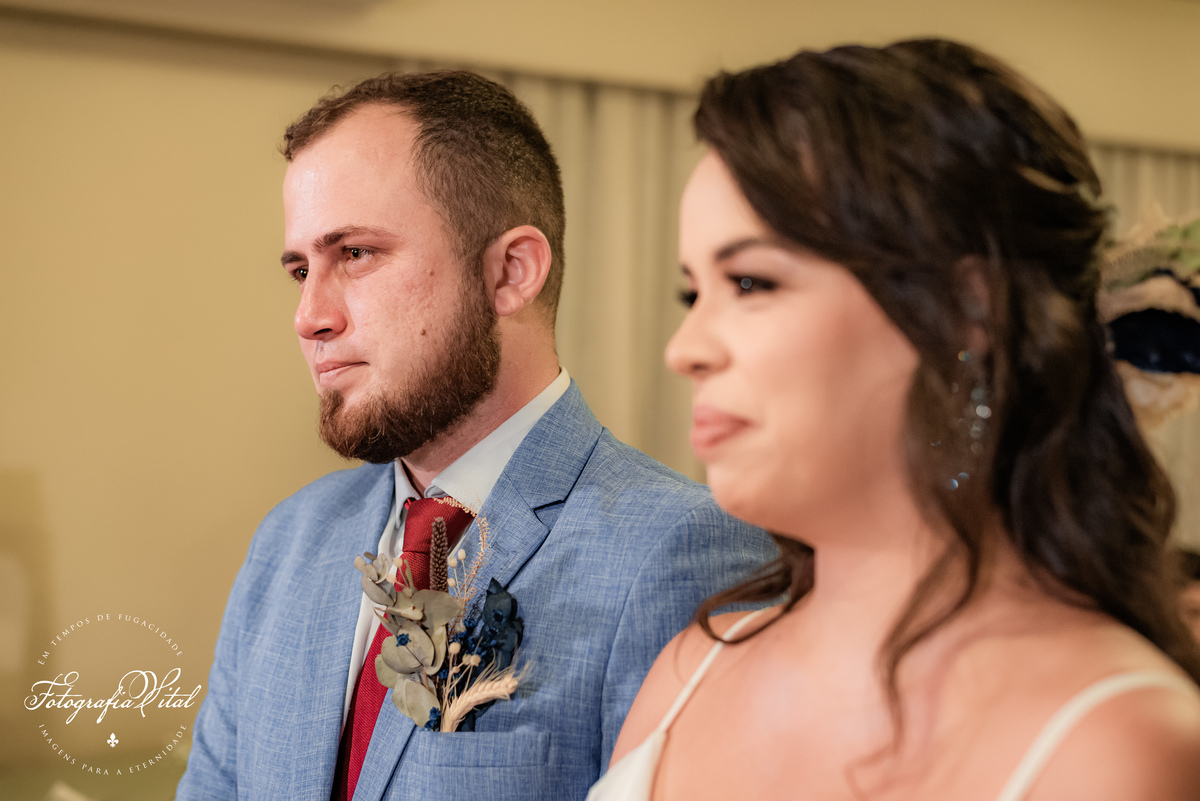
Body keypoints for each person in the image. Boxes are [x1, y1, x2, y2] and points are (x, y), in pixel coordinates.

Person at [590, 39, 1200, 801]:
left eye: (751, 281)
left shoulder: (1116, 744)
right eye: (693, 293)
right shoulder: (693, 666)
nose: (685, 350)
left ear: (966, 312)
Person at [175, 71, 775, 801]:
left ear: (510, 272)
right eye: (301, 269)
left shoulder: (685, 550)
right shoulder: (288, 541)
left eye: (355, 254)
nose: (309, 315)